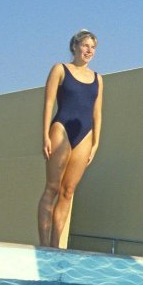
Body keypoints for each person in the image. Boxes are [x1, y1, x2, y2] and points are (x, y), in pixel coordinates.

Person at [37, 29, 104, 247]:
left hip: (85, 134)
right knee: (53, 188)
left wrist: (96, 142)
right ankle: (45, 245)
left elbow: (97, 112)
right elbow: (48, 103)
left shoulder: (98, 79)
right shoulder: (60, 69)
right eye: (86, 45)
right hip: (61, 128)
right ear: (75, 46)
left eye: (93, 47)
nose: (89, 50)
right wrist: (45, 134)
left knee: (68, 191)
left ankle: (57, 246)